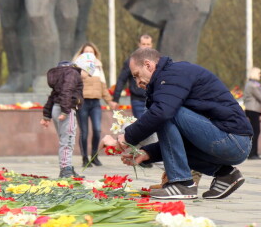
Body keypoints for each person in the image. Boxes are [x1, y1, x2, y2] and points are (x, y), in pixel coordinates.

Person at [101, 48, 252, 200]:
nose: (137, 82)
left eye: (136, 75)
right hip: (231, 142)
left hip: (233, 139)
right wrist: (147, 153)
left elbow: (162, 113)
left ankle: (182, 184)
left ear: (148, 65)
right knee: (164, 112)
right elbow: (176, 145)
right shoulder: (168, 79)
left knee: (163, 112)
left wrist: (126, 137)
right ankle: (225, 174)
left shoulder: (173, 74)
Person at [41, 53, 96, 179]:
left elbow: (53, 96)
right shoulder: (74, 74)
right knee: (68, 141)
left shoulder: (65, 75)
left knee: (65, 140)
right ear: (84, 68)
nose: (87, 77)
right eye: (88, 74)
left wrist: (46, 115)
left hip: (56, 108)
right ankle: (65, 170)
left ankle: (68, 167)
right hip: (65, 110)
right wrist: (65, 110)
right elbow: (67, 91)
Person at [73, 43, 112, 168]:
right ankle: (85, 158)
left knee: (97, 130)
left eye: (91, 52)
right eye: (86, 52)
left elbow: (103, 87)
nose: (89, 54)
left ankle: (94, 156)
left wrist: (110, 101)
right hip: (83, 103)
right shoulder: (77, 67)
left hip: (95, 103)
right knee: (84, 132)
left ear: (95, 54)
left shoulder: (98, 68)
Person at [110, 34, 154, 118]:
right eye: (143, 44)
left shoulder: (158, 61)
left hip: (154, 99)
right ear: (139, 44)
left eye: (148, 44)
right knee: (142, 127)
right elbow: (121, 80)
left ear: (151, 45)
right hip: (137, 100)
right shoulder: (131, 61)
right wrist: (116, 99)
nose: (146, 46)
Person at [243, 66, 261, 160]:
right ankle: (252, 153)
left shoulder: (252, 84)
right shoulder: (252, 85)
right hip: (253, 110)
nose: (260, 75)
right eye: (259, 73)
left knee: (255, 131)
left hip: (253, 109)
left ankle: (254, 153)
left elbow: (260, 93)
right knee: (256, 132)